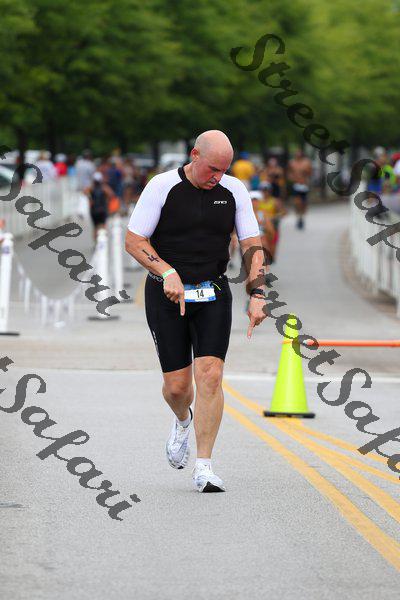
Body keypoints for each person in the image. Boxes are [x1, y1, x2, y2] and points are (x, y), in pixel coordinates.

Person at [125, 130, 268, 493]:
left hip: (213, 291)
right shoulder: (162, 187)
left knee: (210, 376)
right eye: (212, 169)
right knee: (177, 387)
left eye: (224, 170)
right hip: (166, 294)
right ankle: (182, 419)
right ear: (194, 155)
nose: (217, 177)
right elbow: (134, 240)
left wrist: (258, 292)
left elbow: (251, 244)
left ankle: (204, 466)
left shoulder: (234, 191)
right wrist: (166, 272)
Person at [287, 149, 313, 229]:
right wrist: (293, 178)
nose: (298, 155)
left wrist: (306, 172)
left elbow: (310, 173)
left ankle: (302, 217)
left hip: (304, 185)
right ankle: (298, 217)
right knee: (297, 202)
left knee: (304, 203)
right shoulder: (292, 163)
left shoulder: (306, 162)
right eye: (296, 154)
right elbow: (289, 173)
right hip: (296, 185)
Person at [84, 172, 114, 241]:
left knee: (95, 227)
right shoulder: (104, 188)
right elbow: (111, 194)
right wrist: (107, 200)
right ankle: (102, 241)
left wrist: (89, 198)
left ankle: (97, 242)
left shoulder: (92, 188)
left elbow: (85, 192)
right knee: (102, 226)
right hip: (102, 210)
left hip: (94, 210)